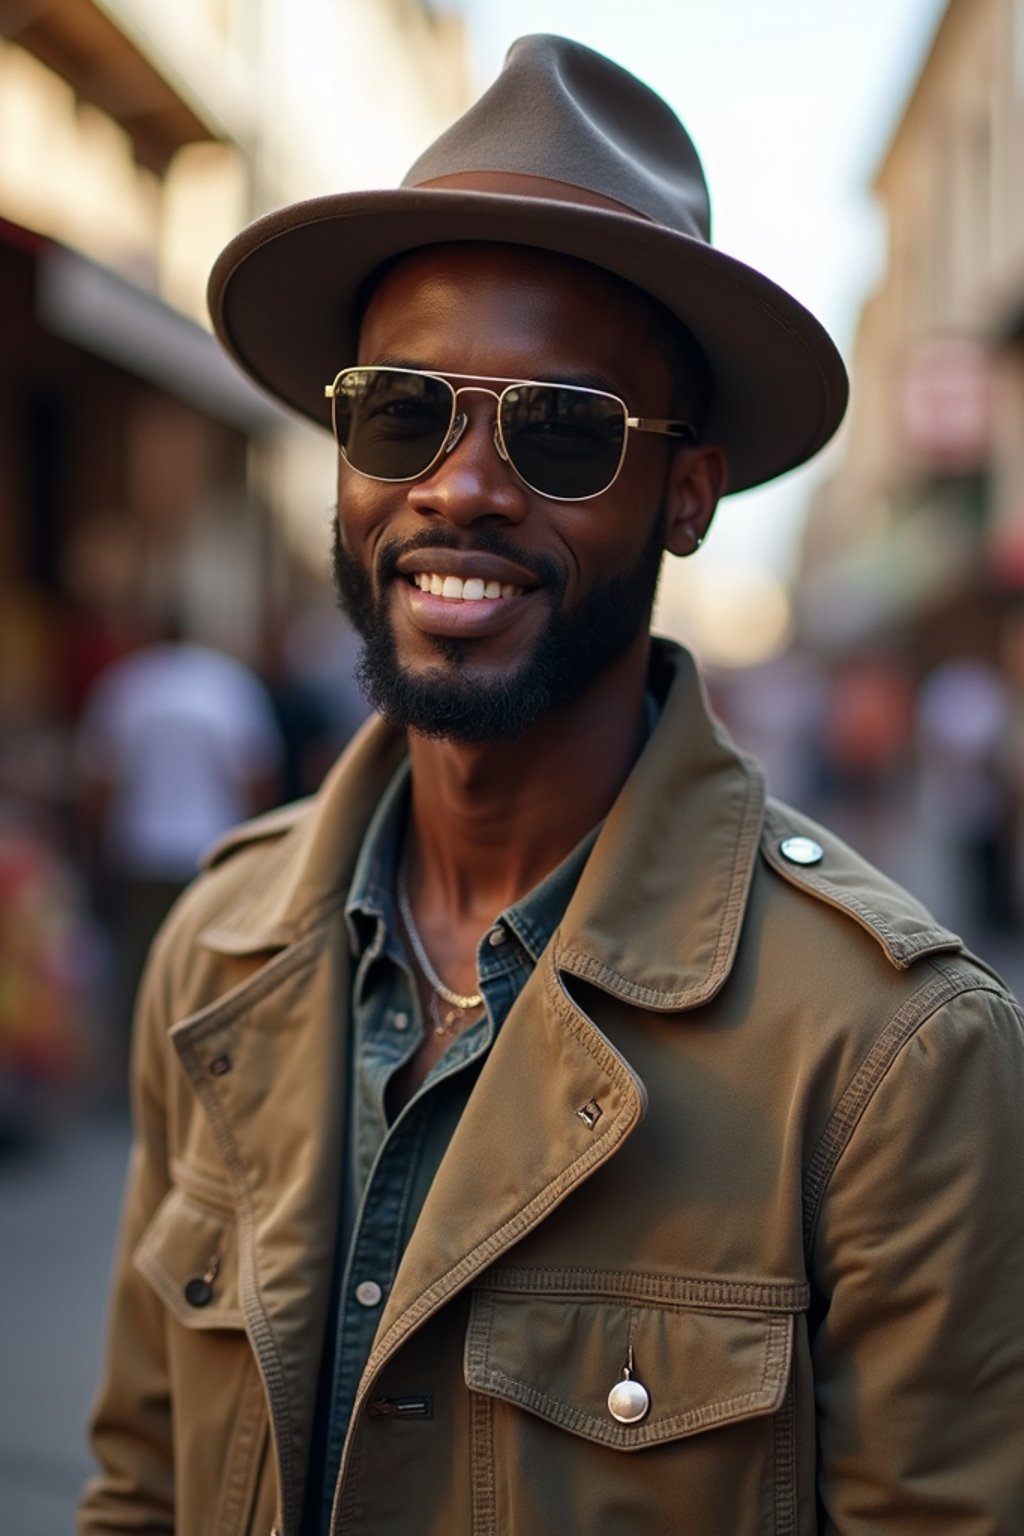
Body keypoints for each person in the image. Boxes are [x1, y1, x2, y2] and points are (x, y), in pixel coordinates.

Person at [78, 35, 1024, 1536]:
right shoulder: (218, 948)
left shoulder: (892, 1053)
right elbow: (138, 1478)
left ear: (688, 492)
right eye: (402, 410)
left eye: (561, 429)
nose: (460, 484)